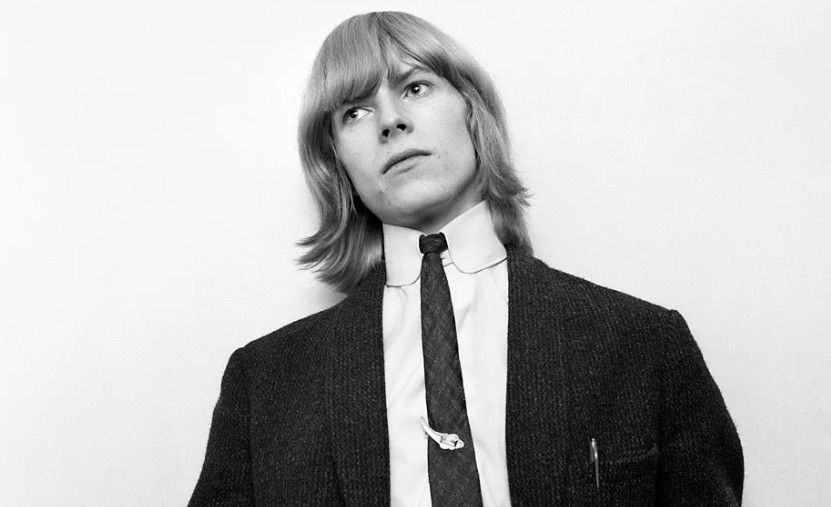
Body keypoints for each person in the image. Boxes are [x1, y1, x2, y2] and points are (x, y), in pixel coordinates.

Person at [189, 11, 743, 506]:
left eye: (416, 87)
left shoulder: (645, 345)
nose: (389, 121)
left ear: (472, 112)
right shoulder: (262, 385)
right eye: (354, 112)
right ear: (337, 164)